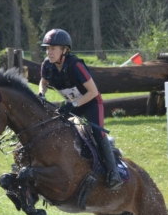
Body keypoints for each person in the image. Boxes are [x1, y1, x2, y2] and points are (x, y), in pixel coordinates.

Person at [37, 28, 123, 190]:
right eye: (47, 48)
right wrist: (41, 93)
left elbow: (93, 92)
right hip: (73, 103)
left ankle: (114, 173)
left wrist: (74, 104)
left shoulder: (76, 65)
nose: (49, 52)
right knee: (57, 127)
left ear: (64, 50)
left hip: (91, 102)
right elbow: (43, 82)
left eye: (53, 48)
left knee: (97, 132)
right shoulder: (47, 65)